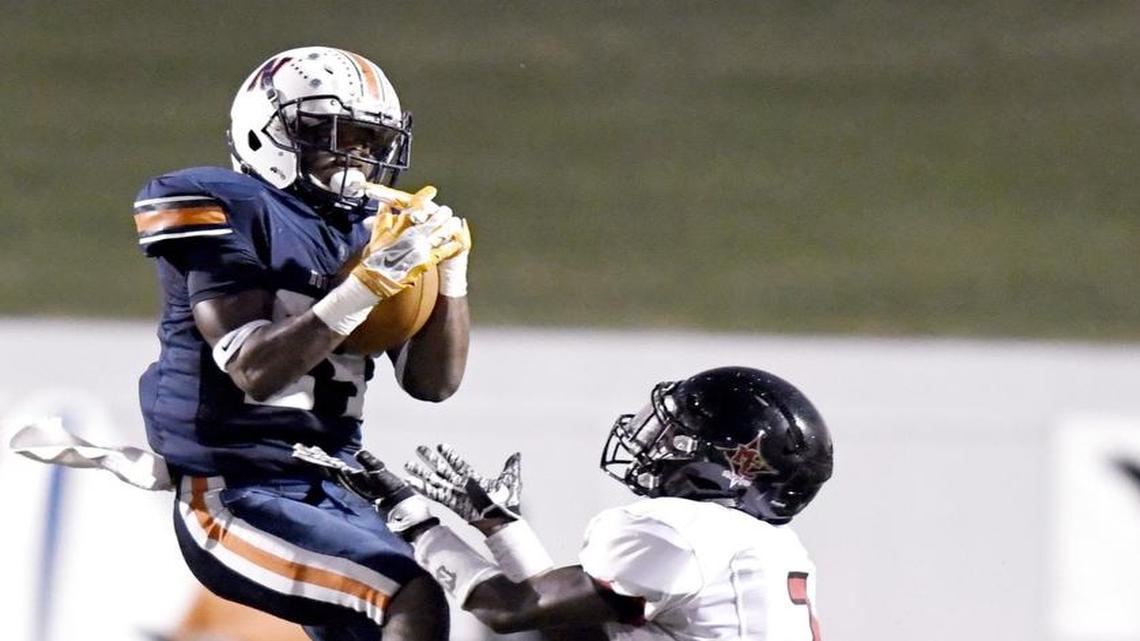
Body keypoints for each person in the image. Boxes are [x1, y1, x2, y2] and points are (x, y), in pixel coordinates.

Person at [131, 46, 471, 641]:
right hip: (237, 487)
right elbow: (254, 370)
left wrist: (451, 277)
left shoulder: (374, 226)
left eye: (369, 138)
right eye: (335, 133)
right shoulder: (231, 206)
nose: (357, 154)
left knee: (398, 609)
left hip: (338, 484)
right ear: (270, 133)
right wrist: (363, 287)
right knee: (407, 597)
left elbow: (432, 383)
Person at [305, 366, 834, 640]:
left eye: (679, 436)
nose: (656, 444)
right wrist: (500, 528)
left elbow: (513, 611)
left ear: (730, 463)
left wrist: (416, 524)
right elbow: (574, 635)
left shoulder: (684, 529)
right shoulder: (766, 545)